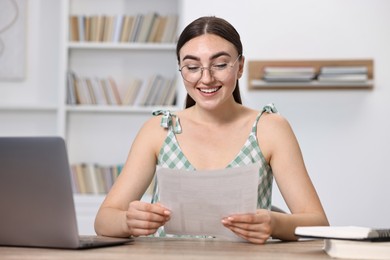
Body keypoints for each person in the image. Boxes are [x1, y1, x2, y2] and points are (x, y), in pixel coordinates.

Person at [94, 16, 329, 244]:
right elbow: (104, 219)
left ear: (240, 67)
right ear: (181, 69)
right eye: (192, 67)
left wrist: (275, 224)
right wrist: (128, 221)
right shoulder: (159, 129)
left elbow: (318, 224)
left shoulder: (270, 129)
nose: (206, 78)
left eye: (219, 65)